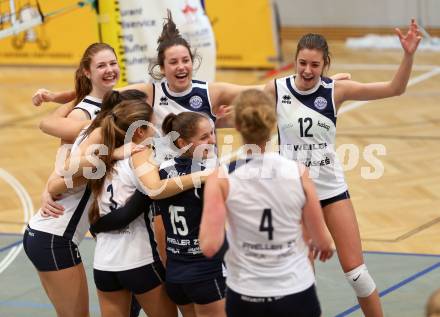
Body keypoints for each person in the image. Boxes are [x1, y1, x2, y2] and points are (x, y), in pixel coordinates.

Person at [264, 19, 421, 317]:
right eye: (302, 63)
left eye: (314, 64)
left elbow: (394, 88)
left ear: (325, 65)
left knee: (357, 274)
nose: (307, 70)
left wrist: (409, 54)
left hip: (331, 190)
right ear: (294, 61)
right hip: (294, 195)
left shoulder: (336, 90)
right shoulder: (276, 89)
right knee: (300, 278)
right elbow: (237, 104)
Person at [199, 89, 334, 317]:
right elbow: (322, 240)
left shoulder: (220, 177)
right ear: (273, 124)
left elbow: (209, 246)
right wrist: (323, 246)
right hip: (295, 289)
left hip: (246, 292)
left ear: (237, 125)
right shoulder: (299, 172)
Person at [22, 43, 121, 317]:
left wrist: (56, 97)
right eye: (101, 66)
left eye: (112, 63)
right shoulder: (84, 115)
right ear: (87, 72)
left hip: (49, 235)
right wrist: (50, 187)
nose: (110, 69)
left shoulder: (110, 103)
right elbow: (67, 167)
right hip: (54, 235)